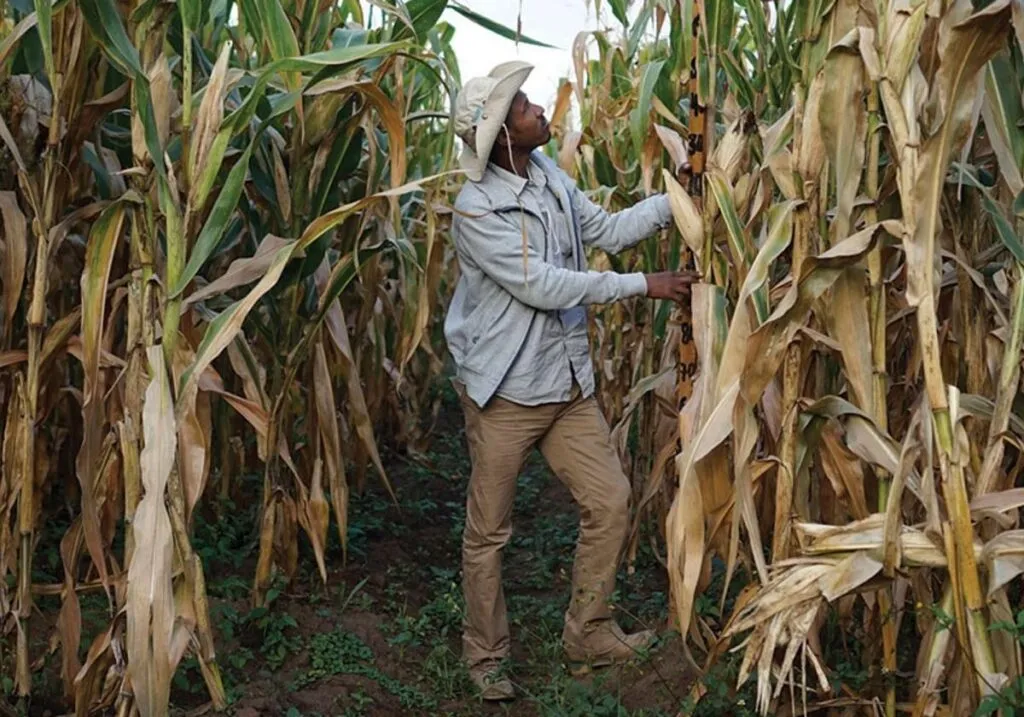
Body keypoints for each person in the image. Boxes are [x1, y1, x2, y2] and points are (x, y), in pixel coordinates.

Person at [444, 60, 698, 701]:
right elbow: (541, 285)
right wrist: (645, 285)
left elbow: (607, 230)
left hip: (564, 385)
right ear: (502, 135)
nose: (536, 108)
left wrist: (680, 200)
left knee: (611, 503)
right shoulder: (476, 211)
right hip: (505, 392)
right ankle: (486, 656)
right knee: (489, 532)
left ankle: (588, 632)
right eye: (523, 105)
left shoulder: (550, 176)